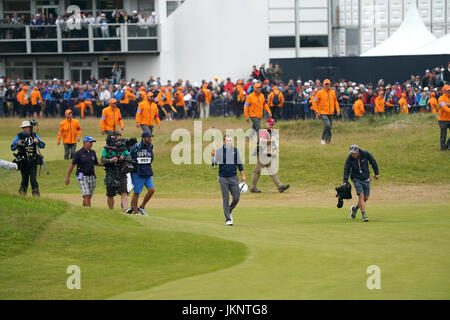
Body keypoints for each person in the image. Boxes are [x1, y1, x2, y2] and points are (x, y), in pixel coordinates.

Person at [211, 135, 246, 226]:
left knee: (236, 198)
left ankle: (229, 210)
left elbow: (239, 163)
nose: (229, 142)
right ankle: (228, 219)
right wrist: (213, 156)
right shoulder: (219, 151)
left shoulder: (235, 150)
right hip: (223, 178)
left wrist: (243, 174)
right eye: (228, 140)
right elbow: (214, 165)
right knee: (225, 199)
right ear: (224, 141)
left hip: (234, 177)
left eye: (230, 140)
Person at [250, 118, 289, 193]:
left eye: (273, 124)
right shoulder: (264, 132)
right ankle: (253, 187)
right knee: (257, 171)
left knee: (271, 171)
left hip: (268, 154)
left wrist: (275, 147)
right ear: (267, 124)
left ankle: (280, 186)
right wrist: (271, 140)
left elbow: (274, 143)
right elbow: (262, 141)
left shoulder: (272, 132)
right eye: (271, 124)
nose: (272, 125)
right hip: (262, 154)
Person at [344, 145, 380, 222]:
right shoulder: (349, 158)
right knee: (361, 195)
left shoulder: (365, 153)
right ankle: (364, 215)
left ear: (358, 151)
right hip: (356, 178)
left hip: (366, 178)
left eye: (354, 153)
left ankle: (355, 208)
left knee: (365, 198)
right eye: (351, 153)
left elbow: (373, 162)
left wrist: (376, 173)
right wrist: (345, 181)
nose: (352, 154)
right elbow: (346, 169)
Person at [11, 120, 46, 197]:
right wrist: (17, 144)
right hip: (23, 162)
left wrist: (38, 142)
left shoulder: (34, 135)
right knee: (24, 180)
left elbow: (43, 145)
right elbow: (12, 148)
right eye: (23, 128)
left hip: (33, 161)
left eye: (26, 127)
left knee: (33, 180)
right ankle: (22, 196)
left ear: (30, 128)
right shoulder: (19, 136)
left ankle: (36, 196)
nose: (25, 129)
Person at [65, 136, 101, 207]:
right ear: (84, 143)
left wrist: (107, 162)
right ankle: (89, 212)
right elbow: (72, 165)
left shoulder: (93, 152)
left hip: (92, 176)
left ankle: (84, 209)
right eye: (90, 142)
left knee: (88, 196)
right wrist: (67, 177)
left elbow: (96, 163)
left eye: (92, 143)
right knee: (86, 194)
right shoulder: (78, 153)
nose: (91, 144)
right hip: (81, 176)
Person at [101, 132, 132, 213]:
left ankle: (125, 209)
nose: (119, 140)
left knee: (124, 191)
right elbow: (103, 159)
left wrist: (123, 157)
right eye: (117, 138)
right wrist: (110, 160)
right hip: (111, 173)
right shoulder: (106, 149)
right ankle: (111, 211)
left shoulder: (123, 148)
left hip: (121, 173)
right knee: (110, 194)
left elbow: (129, 157)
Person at [129, 131, 156, 216]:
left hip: (147, 172)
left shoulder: (150, 146)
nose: (150, 139)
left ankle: (142, 207)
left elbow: (151, 158)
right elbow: (129, 157)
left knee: (152, 190)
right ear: (143, 138)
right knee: (136, 193)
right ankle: (135, 211)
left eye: (150, 137)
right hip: (137, 173)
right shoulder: (136, 146)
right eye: (148, 137)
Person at [315, 79, 340, 144]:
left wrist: (338, 109)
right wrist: (317, 112)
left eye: (328, 84)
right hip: (322, 113)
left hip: (331, 113)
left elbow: (335, 102)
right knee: (327, 125)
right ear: (323, 85)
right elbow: (315, 102)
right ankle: (322, 139)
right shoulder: (319, 92)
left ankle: (328, 142)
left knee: (329, 128)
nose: (327, 85)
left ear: (329, 84)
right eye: (325, 84)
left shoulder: (333, 92)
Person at [437, 85, 450, 151]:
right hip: (443, 120)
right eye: (448, 90)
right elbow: (444, 107)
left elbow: (446, 105)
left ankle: (448, 145)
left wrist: (447, 104)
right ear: (444, 91)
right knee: (443, 135)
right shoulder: (441, 98)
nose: (449, 91)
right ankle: (443, 148)